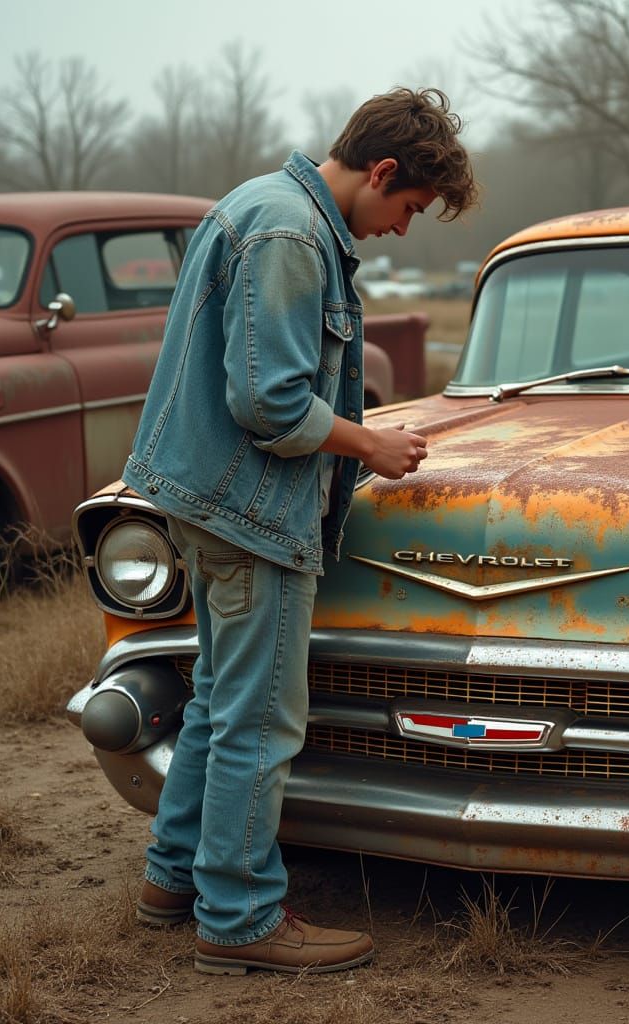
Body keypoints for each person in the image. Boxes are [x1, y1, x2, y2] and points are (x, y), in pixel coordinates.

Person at [121, 87, 477, 976]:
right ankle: (239, 917)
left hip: (212, 500)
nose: (402, 229)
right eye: (409, 207)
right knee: (261, 719)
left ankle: (174, 878)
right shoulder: (287, 233)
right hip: (249, 514)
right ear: (383, 170)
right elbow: (270, 403)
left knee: (216, 697)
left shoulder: (260, 205)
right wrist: (372, 443)